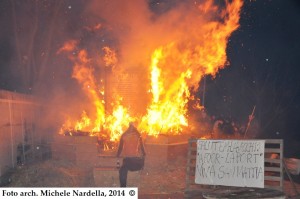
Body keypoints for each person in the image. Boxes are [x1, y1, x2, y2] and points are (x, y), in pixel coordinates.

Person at [116, 122, 146, 187]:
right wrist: (143, 158)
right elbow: (143, 151)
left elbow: (120, 149)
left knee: (122, 171)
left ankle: (123, 189)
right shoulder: (138, 135)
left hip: (128, 162)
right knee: (125, 166)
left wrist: (117, 155)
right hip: (137, 163)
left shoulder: (124, 136)